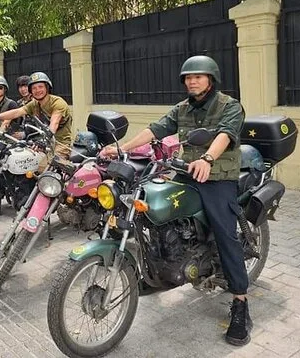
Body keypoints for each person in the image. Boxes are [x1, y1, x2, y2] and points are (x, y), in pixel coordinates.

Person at [100, 55, 251, 346]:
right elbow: (156, 129)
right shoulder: (182, 108)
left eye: (198, 77)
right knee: (152, 210)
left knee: (225, 234)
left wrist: (208, 158)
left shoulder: (229, 106)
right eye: (188, 78)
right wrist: (121, 148)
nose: (192, 81)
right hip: (187, 173)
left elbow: (225, 134)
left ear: (211, 79)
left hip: (217, 176)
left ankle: (240, 303)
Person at [0, 72, 72, 158]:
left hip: (60, 145)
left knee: (46, 165)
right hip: (40, 143)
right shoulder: (35, 104)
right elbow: (17, 112)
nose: (37, 90)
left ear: (47, 87)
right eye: (34, 88)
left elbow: (54, 123)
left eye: (40, 87)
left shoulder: (57, 103)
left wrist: (45, 140)